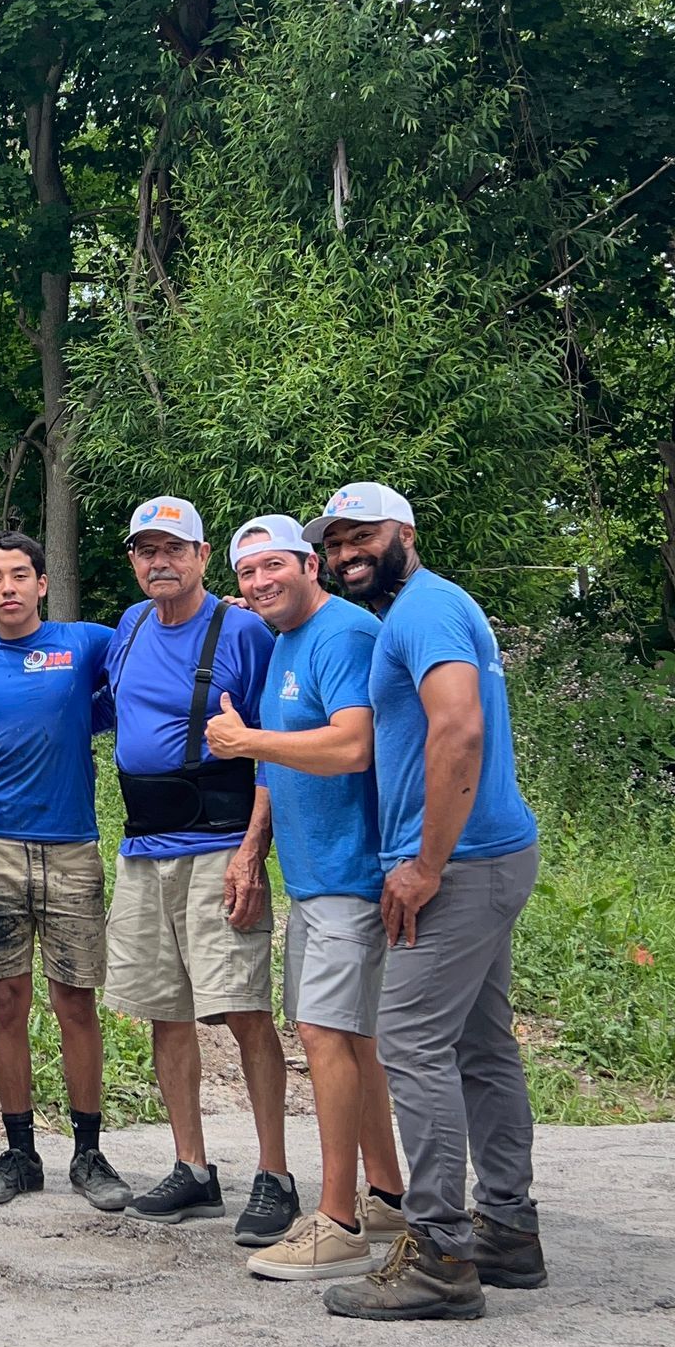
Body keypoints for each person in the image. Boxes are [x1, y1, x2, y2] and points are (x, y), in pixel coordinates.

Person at [306, 483, 544, 1323]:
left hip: (459, 863)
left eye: (361, 536)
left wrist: (424, 862)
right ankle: (508, 1229)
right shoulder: (433, 605)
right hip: (492, 852)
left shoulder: (422, 613)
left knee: (409, 1042)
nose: (346, 555)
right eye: (334, 545)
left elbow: (459, 729)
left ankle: (439, 1252)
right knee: (481, 1045)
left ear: (405, 531)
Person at [203, 514, 406, 1281]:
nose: (260, 583)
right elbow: (279, 758)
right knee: (351, 1039)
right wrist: (254, 848)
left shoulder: (344, 634)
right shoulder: (285, 642)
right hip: (315, 877)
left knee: (325, 1035)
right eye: (249, 573)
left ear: (308, 566)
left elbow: (355, 745)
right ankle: (385, 1192)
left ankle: (338, 1221)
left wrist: (250, 741)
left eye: (273, 566)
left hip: (354, 875)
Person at [101, 494, 298, 1246]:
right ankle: (194, 1168)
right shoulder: (131, 624)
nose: (160, 562)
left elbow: (274, 749)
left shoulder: (242, 629)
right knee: (165, 1009)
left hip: (218, 848)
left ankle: (275, 1175)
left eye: (174, 549)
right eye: (147, 550)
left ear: (202, 557)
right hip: (143, 849)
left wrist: (253, 852)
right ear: (134, 560)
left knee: (243, 1009)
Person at [0, 532, 130, 1213]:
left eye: (19, 575)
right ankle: (20, 1151)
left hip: (71, 845)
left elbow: (154, 653)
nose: (7, 588)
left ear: (43, 582)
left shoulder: (84, 641)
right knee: (5, 1001)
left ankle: (89, 1151)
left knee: (76, 999)